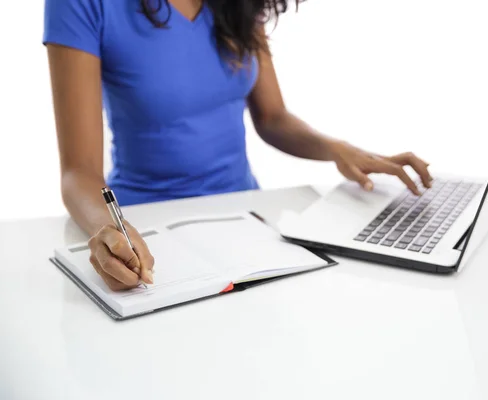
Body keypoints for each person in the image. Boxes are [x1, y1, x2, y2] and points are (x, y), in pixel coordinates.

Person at [44, 0, 433, 291]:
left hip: (249, 224)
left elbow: (272, 117)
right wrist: (108, 230)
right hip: (149, 233)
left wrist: (341, 150)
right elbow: (78, 171)